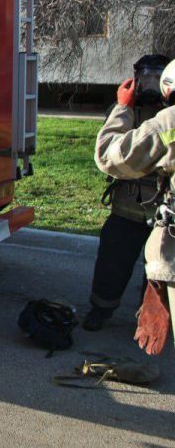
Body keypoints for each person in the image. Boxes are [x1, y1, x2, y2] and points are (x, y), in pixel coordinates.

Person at [94, 59, 175, 355]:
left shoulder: (167, 121)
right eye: (146, 77)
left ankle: (149, 322)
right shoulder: (133, 112)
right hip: (129, 207)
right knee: (112, 263)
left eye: (157, 77)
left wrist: (122, 109)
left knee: (158, 274)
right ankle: (101, 310)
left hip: (163, 216)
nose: (151, 84)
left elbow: (109, 154)